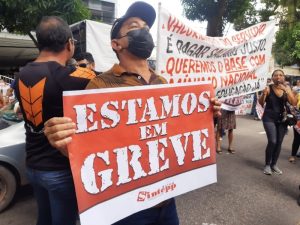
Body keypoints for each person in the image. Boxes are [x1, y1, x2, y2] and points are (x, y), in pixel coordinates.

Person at [44, 2, 221, 225]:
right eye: (134, 26)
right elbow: (86, 149)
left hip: (167, 201)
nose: (144, 30)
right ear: (116, 44)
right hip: (127, 209)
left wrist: (206, 116)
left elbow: (176, 133)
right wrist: (64, 142)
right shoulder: (100, 86)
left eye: (146, 27)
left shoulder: (163, 82)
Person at [14, 16, 95, 225]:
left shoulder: (20, 75)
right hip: (59, 169)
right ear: (69, 44)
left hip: (32, 164)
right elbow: (99, 79)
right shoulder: (70, 76)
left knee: (44, 218)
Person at [258, 69, 297, 175]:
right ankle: (267, 165)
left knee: (279, 142)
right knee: (273, 141)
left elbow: (293, 103)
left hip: (282, 120)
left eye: (281, 75)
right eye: (276, 75)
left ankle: (274, 164)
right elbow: (261, 103)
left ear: (284, 77)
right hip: (269, 118)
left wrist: (287, 91)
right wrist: (263, 94)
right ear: (272, 77)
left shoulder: (287, 88)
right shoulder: (268, 88)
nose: (278, 77)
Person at [288, 92, 300, 163]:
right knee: (297, 138)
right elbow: (292, 106)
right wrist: (297, 118)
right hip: (298, 120)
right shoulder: (299, 94)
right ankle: (293, 155)